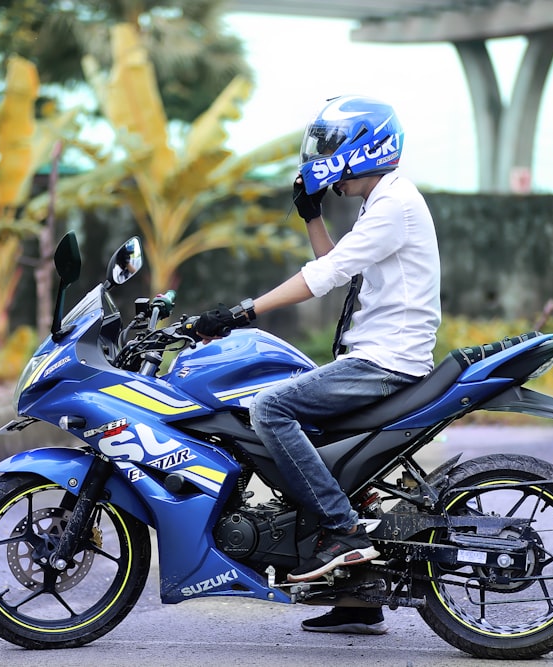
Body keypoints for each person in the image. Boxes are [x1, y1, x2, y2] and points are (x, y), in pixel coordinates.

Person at [186, 95, 442, 635]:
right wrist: (313, 217)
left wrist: (241, 312)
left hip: (386, 360)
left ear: (363, 146)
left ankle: (341, 529)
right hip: (379, 354)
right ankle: (358, 599)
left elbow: (322, 278)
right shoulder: (385, 200)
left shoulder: (394, 203)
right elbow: (339, 265)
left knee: (270, 408)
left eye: (331, 146)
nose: (322, 158)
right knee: (308, 432)